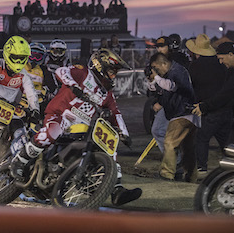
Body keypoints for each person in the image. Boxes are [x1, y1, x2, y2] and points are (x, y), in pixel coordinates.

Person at [10, 49, 142, 206]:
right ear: (100, 66)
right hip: (60, 114)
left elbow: (116, 113)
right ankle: (20, 160)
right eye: (112, 71)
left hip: (81, 127)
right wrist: (73, 86)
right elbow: (61, 71)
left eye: (115, 73)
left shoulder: (107, 93)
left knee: (109, 144)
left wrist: (124, 133)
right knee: (53, 132)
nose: (113, 76)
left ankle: (116, 189)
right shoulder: (83, 73)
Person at [148, 53, 198, 182]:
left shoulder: (178, 71)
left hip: (182, 113)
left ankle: (167, 173)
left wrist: (157, 78)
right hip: (186, 113)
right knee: (187, 148)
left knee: (169, 143)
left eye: (156, 67)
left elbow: (172, 86)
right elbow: (160, 91)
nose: (155, 71)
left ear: (164, 64)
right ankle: (190, 176)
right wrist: (153, 81)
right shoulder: (170, 74)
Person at [185, 34, 232, 174]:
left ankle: (202, 168)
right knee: (225, 140)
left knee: (202, 138)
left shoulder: (194, 67)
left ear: (195, 51)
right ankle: (233, 165)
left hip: (208, 108)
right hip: (226, 108)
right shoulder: (220, 63)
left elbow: (189, 88)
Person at [23, 42, 56, 113]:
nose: (34, 59)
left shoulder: (45, 70)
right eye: (32, 56)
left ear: (43, 58)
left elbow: (52, 87)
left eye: (38, 57)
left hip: (38, 101)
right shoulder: (20, 67)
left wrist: (45, 91)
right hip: (21, 99)